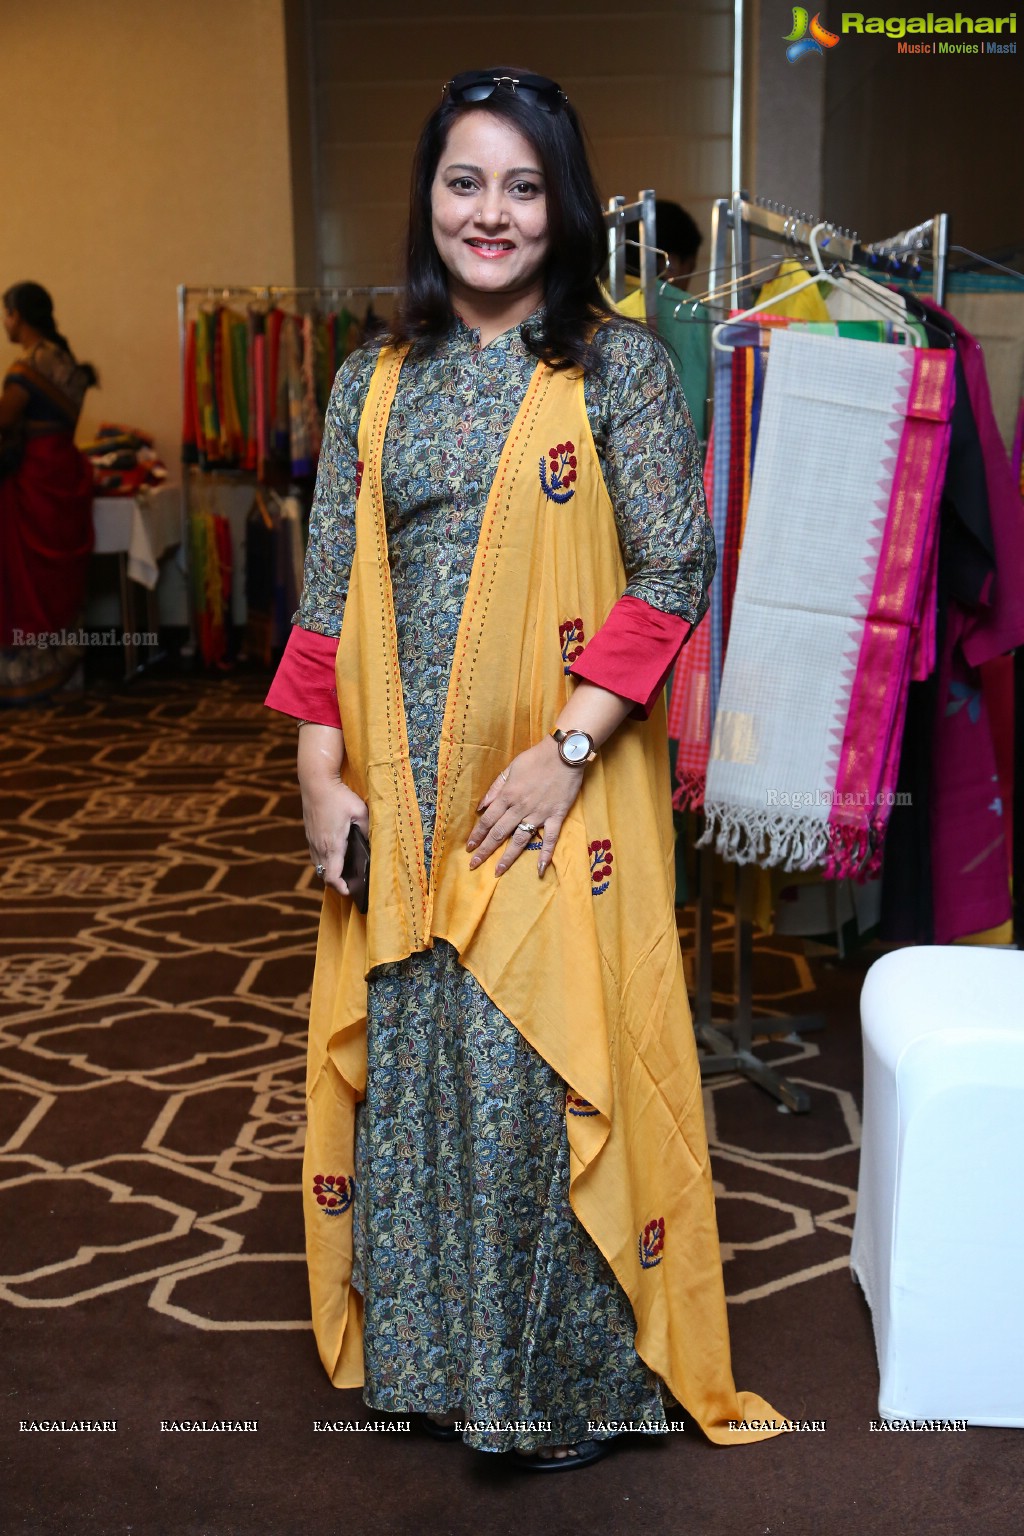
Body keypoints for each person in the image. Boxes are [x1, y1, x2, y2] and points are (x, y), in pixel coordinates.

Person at [266, 67, 780, 1468]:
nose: (488, 213)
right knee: (427, 1071)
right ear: (427, 198)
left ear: (559, 209)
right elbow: (325, 602)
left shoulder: (609, 366)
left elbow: (675, 570)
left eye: (521, 185)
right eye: (462, 181)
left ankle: (554, 1392)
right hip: (405, 795)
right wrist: (323, 779)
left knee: (527, 1073)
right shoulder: (373, 378)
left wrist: (564, 752)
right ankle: (437, 1369)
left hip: (553, 795)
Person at [0, 282, 97, 702]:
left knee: (25, 580)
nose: (5, 322)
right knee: (60, 582)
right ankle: (66, 670)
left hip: (33, 482)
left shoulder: (28, 367)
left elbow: (4, 421)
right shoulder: (65, 361)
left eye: (6, 313)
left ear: (17, 314)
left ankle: (25, 676)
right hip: (65, 474)